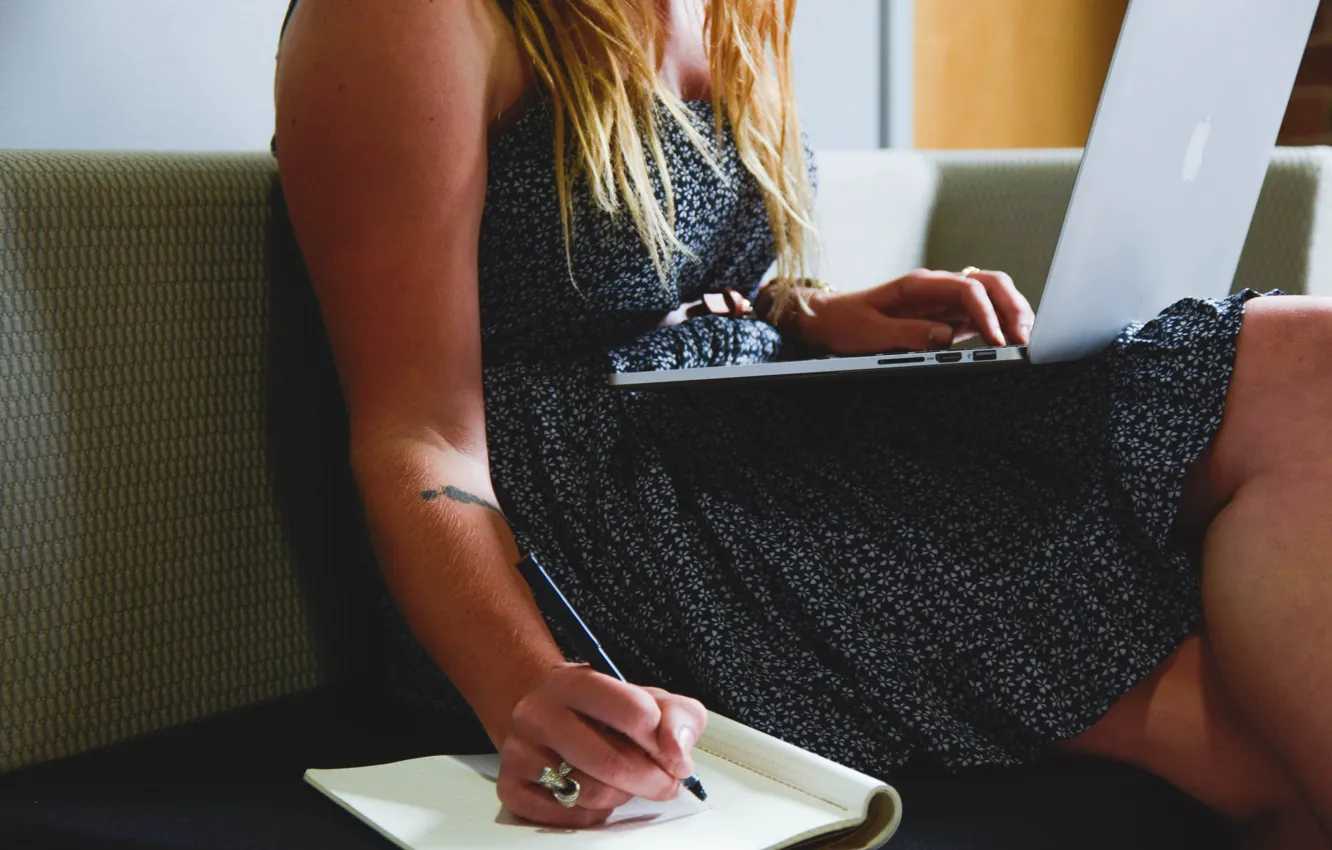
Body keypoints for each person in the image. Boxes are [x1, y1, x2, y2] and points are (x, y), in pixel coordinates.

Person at [271, 1, 1332, 846]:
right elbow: (418, 434)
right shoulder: (406, 17)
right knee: (1252, 749)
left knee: (1308, 359)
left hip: (742, 431)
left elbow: (656, 275)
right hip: (594, 518)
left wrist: (809, 316)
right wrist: (526, 686)